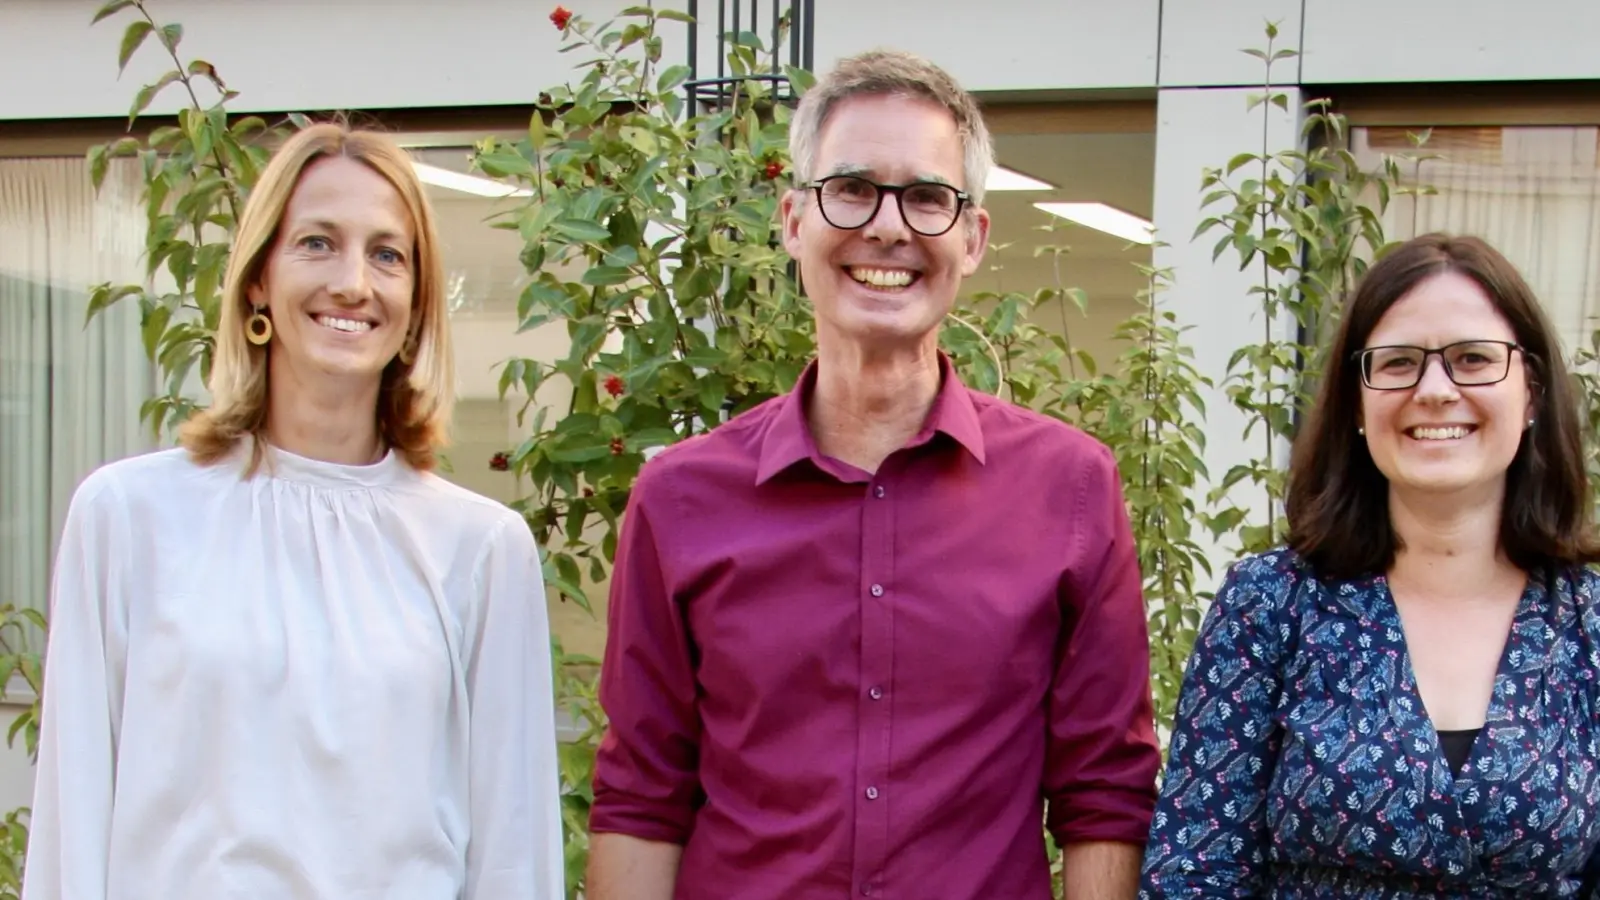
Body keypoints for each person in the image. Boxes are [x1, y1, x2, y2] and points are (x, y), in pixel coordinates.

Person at [586, 48, 1161, 900]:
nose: (889, 227)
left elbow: (1105, 794)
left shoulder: (1070, 488)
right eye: (852, 189)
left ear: (972, 237)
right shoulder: (680, 499)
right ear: (793, 221)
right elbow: (643, 794)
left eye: (927, 197)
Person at [23, 123, 565, 899]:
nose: (353, 282)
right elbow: (71, 825)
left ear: (416, 305)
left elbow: (514, 854)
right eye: (317, 243)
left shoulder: (481, 549)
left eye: (388, 254)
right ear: (257, 280)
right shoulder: (129, 517)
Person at [1139, 233, 1600, 898]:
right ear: (1357, 402)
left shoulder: (1589, 624)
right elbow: (1195, 869)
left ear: (1531, 392)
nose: (1435, 390)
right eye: (1399, 362)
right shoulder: (1271, 604)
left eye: (1472, 358)